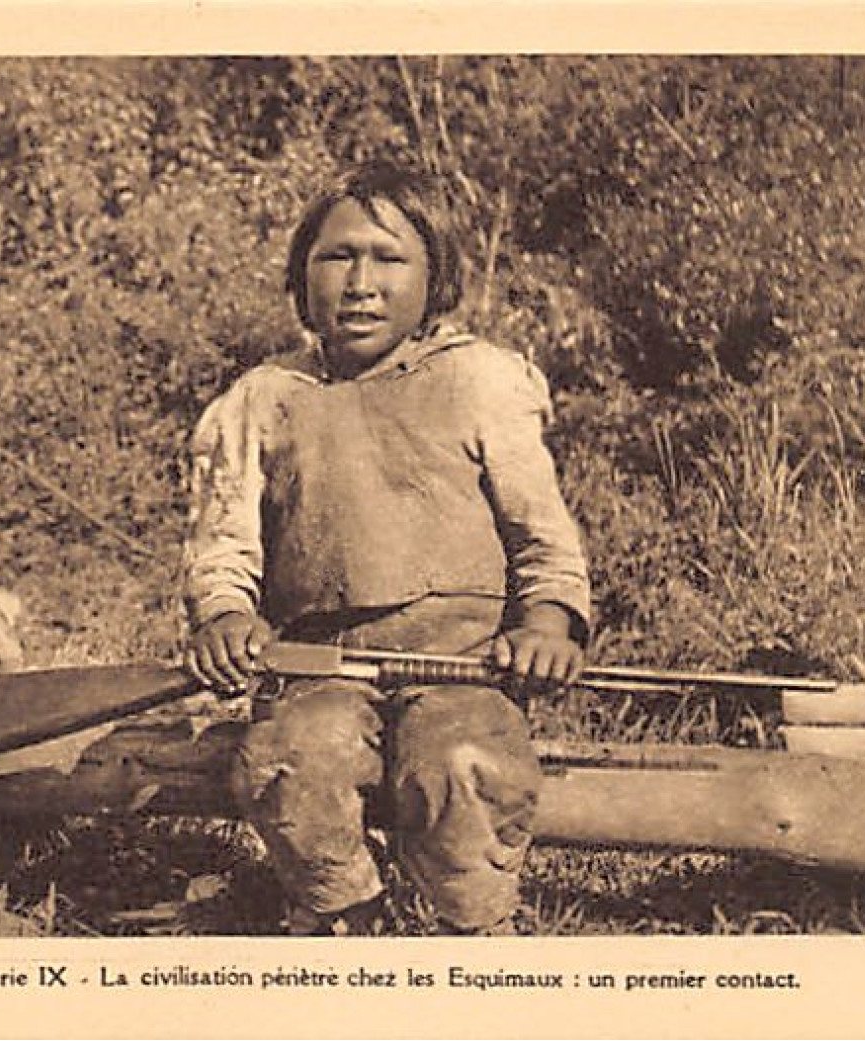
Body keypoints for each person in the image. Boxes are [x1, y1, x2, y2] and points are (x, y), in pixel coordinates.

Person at [183, 161, 592, 936]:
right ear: (301, 277)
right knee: (291, 761)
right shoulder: (263, 398)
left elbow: (544, 538)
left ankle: (472, 932)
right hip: (316, 672)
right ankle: (342, 918)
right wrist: (225, 615)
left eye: (388, 257)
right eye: (336, 257)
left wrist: (546, 626)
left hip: (463, 669)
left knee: (464, 767)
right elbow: (222, 544)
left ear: (435, 277)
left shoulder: (479, 380)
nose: (360, 282)